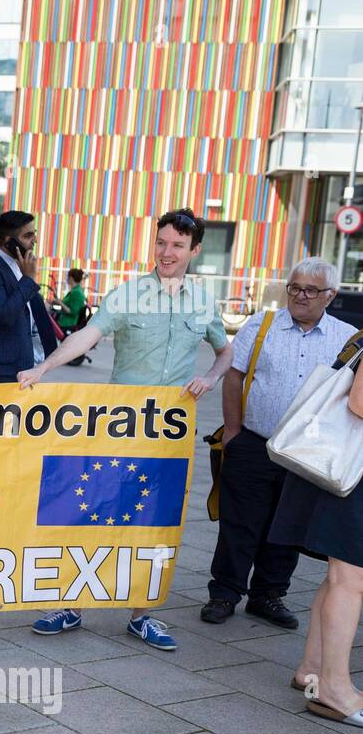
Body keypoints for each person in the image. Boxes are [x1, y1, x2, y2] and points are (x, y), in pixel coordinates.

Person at [18, 208, 233, 650]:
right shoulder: (128, 295)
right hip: (119, 426)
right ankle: (71, 605)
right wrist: (45, 366)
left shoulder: (202, 301)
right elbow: (89, 335)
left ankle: (142, 614)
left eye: (177, 245)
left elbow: (224, 351)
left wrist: (211, 377)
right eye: (161, 243)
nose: (166, 252)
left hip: (167, 434)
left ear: (194, 250)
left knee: (155, 523)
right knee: (92, 513)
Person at [202, 258, 355, 628]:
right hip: (254, 442)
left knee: (286, 529)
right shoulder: (262, 324)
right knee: (239, 524)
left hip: (306, 453)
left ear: (330, 295)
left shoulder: (346, 338)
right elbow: (234, 378)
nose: (300, 296)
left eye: (310, 290)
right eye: (294, 287)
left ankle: (268, 596)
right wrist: (234, 433)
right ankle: (224, 593)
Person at [268, 314, 363, 728]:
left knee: (340, 576)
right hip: (352, 470)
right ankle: (334, 688)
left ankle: (312, 669)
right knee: (351, 580)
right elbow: (360, 401)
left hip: (340, 464)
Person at [0, 210, 58, 385]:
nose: (35, 241)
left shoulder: (16, 265)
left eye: (34, 234)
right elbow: (4, 315)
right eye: (28, 235)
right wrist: (28, 280)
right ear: (9, 242)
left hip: (19, 369)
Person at [56, 267, 87, 333]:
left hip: (67, 324)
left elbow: (72, 312)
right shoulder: (75, 291)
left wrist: (60, 303)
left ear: (71, 278)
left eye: (68, 277)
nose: (67, 279)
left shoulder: (77, 292)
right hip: (64, 322)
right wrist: (57, 300)